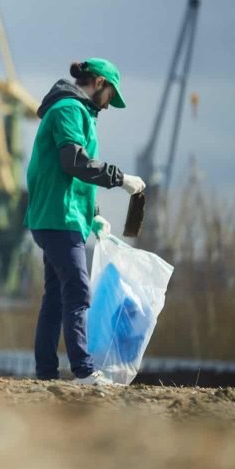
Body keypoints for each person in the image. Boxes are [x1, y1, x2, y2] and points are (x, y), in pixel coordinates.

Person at [25, 58, 145, 385]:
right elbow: (74, 162)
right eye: (110, 96)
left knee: (55, 298)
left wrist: (94, 215)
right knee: (78, 291)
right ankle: (84, 371)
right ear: (100, 83)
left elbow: (74, 175)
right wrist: (120, 179)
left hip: (63, 216)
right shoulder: (68, 109)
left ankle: (46, 374)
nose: (108, 105)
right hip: (59, 218)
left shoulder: (81, 113)